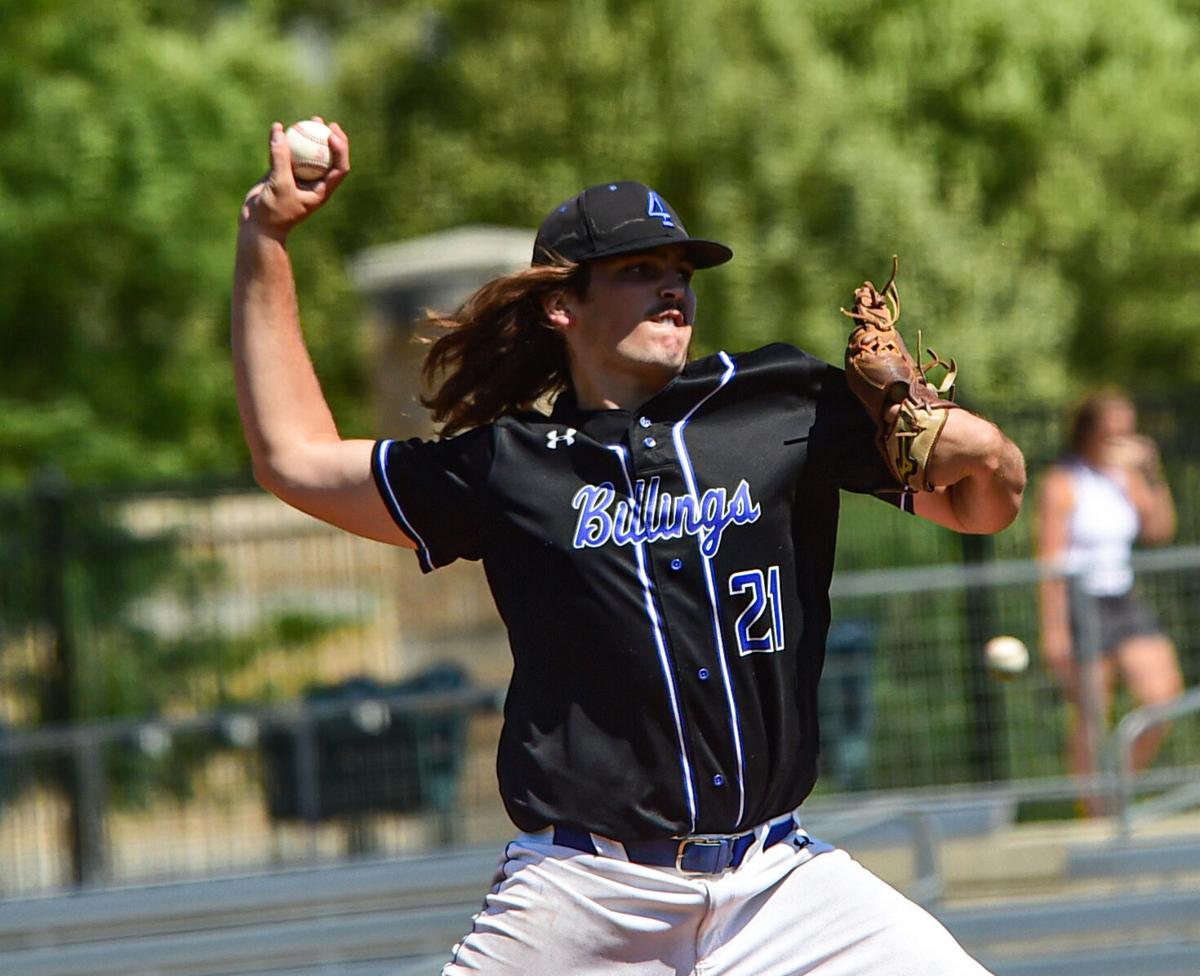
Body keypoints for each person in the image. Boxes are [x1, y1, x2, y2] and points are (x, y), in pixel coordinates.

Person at [233, 119, 1026, 975]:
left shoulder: (779, 405)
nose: (671, 289)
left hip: (780, 888)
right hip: (585, 894)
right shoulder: (510, 466)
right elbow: (293, 458)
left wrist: (984, 446)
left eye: (680, 272)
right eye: (638, 270)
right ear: (561, 304)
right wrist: (266, 237)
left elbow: (983, 508)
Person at [1036, 388, 1183, 815]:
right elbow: (1049, 563)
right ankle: (1095, 811)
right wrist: (1055, 630)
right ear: (1089, 432)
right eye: (1111, 431)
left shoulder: (1126, 478)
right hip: (1081, 601)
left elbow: (1159, 530)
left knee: (1163, 696)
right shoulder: (1063, 483)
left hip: (1122, 596)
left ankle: (1117, 783)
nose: (1120, 440)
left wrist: (1152, 472)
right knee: (1091, 711)